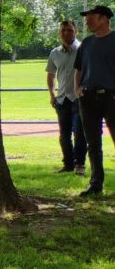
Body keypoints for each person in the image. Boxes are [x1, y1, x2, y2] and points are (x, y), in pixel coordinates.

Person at [73, 5, 115, 197]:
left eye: (91, 18)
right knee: (93, 143)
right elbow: (79, 69)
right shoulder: (87, 43)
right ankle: (96, 183)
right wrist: (77, 89)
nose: (87, 22)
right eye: (87, 18)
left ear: (104, 19)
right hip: (88, 98)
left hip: (111, 97)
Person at [46, 20, 86, 175]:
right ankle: (68, 164)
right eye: (63, 30)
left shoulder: (84, 49)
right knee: (64, 135)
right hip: (62, 99)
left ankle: (80, 165)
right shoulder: (54, 53)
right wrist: (52, 94)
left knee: (79, 133)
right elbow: (50, 75)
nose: (66, 33)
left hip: (79, 98)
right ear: (59, 32)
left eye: (69, 30)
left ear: (76, 31)